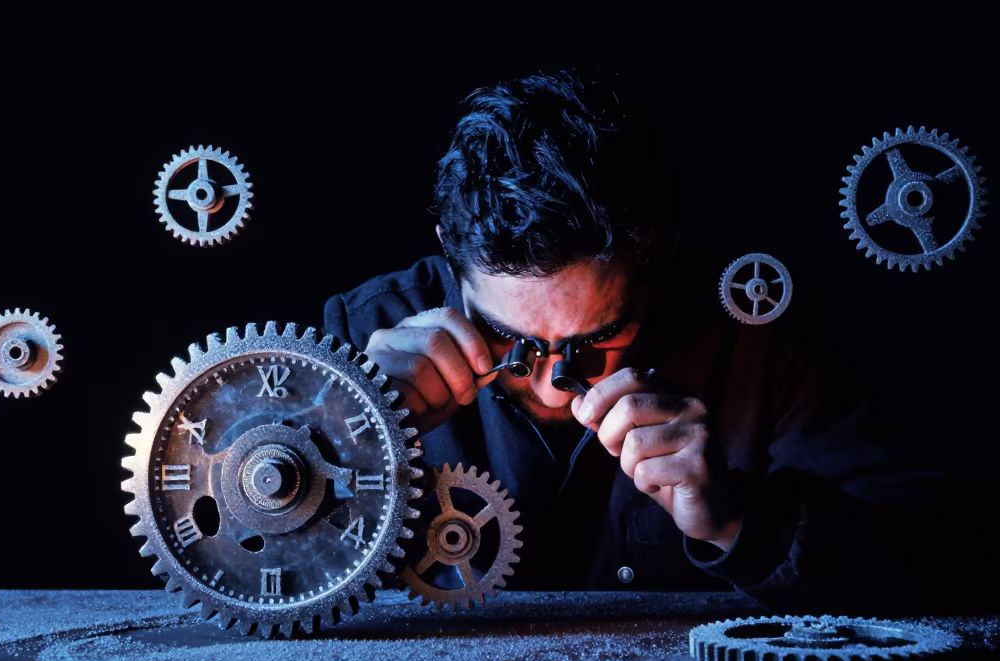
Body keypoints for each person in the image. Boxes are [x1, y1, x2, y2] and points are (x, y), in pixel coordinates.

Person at [322, 69, 967, 616]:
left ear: (659, 263)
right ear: (448, 251)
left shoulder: (753, 333)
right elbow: (248, 572)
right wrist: (337, 437)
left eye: (597, 338)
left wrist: (740, 522)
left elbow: (938, 565)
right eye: (504, 338)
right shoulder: (362, 340)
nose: (552, 384)